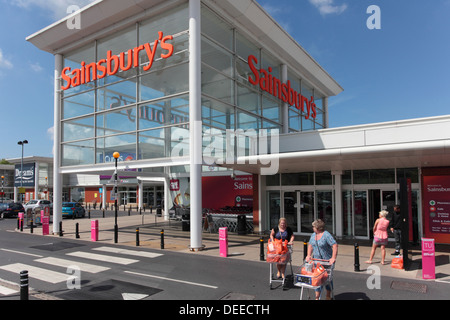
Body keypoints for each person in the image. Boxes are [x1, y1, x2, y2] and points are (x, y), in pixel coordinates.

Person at [305, 219, 338, 300]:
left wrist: (333, 258)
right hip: (316, 261)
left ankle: (328, 294)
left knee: (326, 279)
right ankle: (317, 297)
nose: (312, 228)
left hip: (326, 262)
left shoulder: (326, 235)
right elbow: (310, 245)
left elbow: (335, 245)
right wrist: (308, 255)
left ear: (318, 227)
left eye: (313, 226)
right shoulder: (313, 235)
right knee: (316, 278)